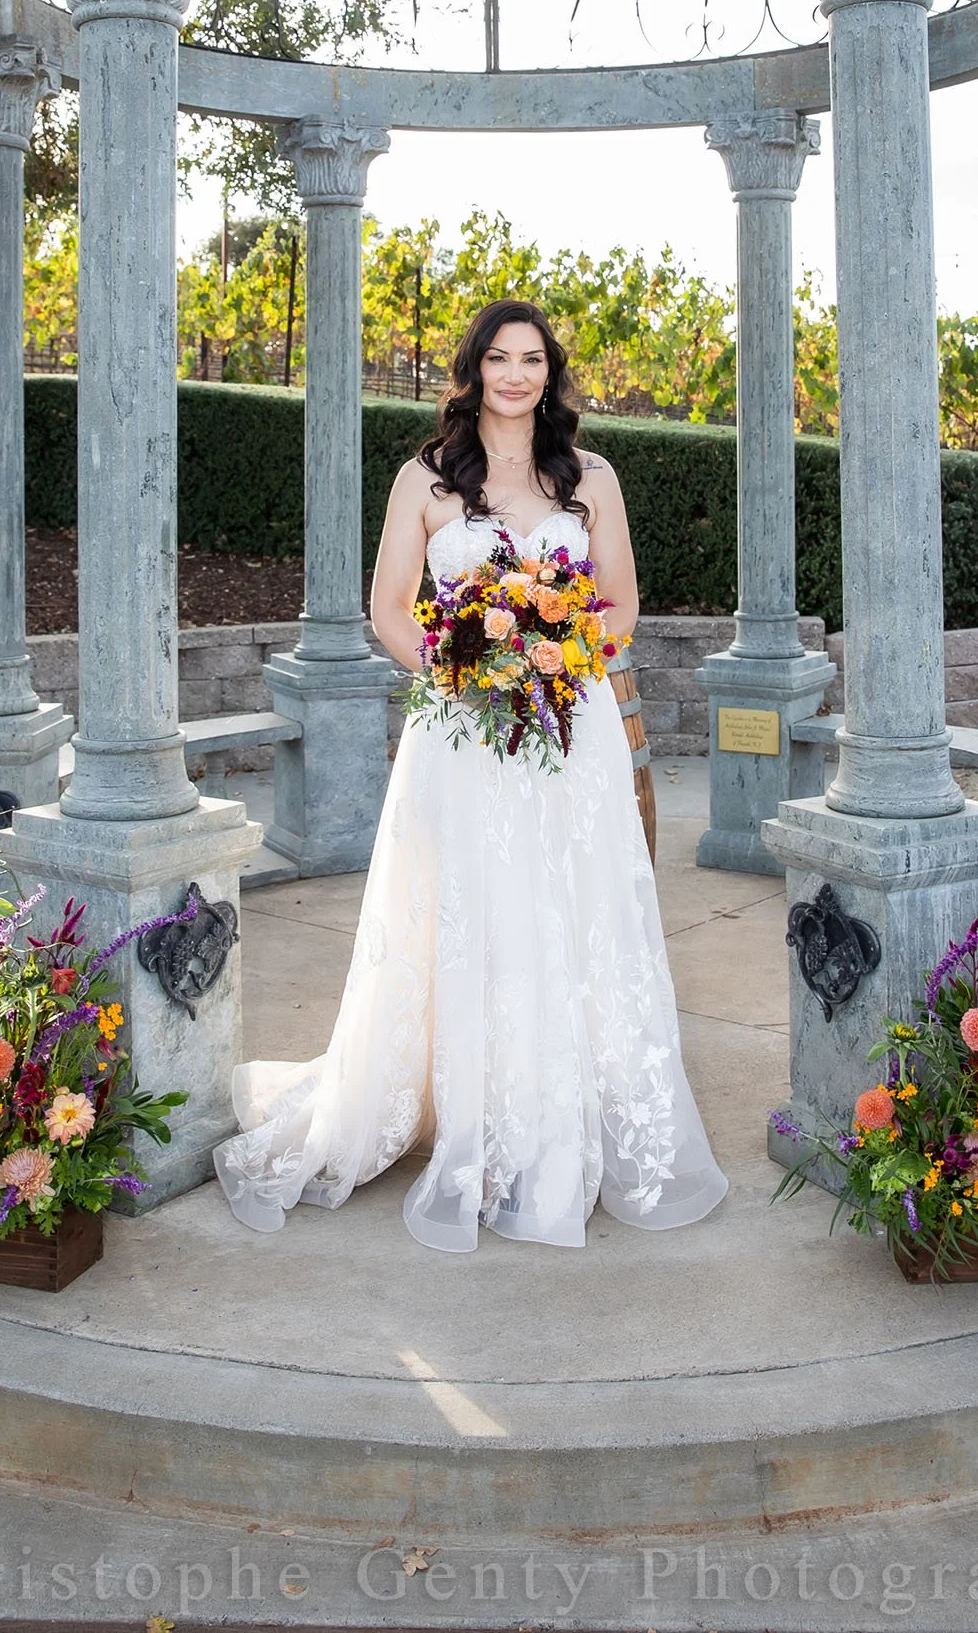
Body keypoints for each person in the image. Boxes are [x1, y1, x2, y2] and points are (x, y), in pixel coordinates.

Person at [214, 299, 728, 1252]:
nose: (517, 375)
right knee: (469, 911)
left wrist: (556, 658)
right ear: (474, 370)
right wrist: (462, 673)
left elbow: (618, 605)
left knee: (569, 911)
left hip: (570, 732)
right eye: (500, 358)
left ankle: (559, 1120)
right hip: (459, 734)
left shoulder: (592, 478)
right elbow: (388, 609)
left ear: (552, 373)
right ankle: (468, 1116)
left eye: (534, 359)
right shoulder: (424, 479)